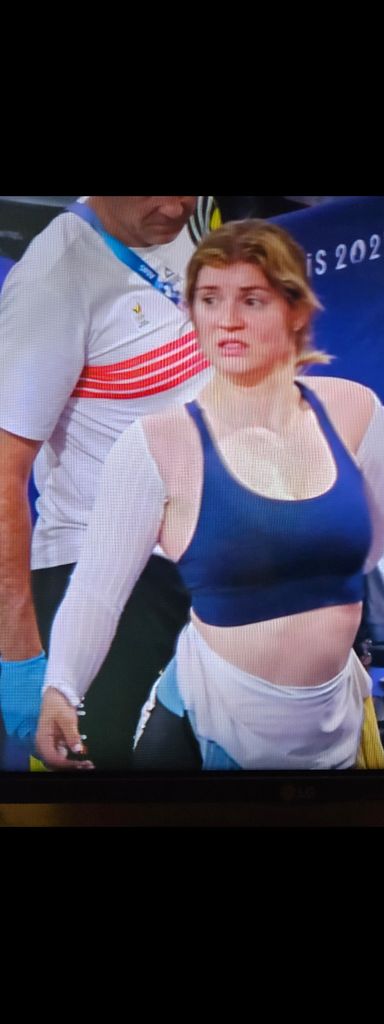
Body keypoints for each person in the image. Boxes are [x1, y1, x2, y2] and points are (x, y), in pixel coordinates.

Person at [36, 219, 384, 771]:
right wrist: (61, 690)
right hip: (209, 733)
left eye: (251, 300)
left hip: (337, 723)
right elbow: (96, 592)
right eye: (210, 299)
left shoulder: (356, 411)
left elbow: (369, 551)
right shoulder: (157, 444)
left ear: (296, 310)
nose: (227, 320)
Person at [0, 195, 221, 769]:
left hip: (206, 557)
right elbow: (3, 473)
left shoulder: (195, 214)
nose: (175, 206)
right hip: (101, 568)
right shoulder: (54, 281)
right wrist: (19, 657)